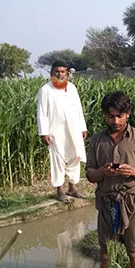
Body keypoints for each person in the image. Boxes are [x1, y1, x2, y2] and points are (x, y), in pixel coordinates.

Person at [85, 91, 135, 268]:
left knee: (133, 250)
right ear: (104, 115)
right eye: (110, 116)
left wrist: (133, 171)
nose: (115, 120)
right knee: (106, 253)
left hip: (133, 202)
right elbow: (90, 175)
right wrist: (103, 171)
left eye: (119, 115)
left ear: (128, 114)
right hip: (107, 203)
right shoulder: (97, 140)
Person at [37, 60, 87, 203]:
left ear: (67, 73)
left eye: (63, 71)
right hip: (55, 131)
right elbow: (42, 113)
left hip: (74, 128)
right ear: (52, 72)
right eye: (57, 71)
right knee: (58, 159)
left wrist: (83, 127)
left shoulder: (71, 88)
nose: (60, 74)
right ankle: (60, 190)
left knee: (75, 155)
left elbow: (78, 109)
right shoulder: (45, 90)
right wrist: (44, 132)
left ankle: (73, 188)